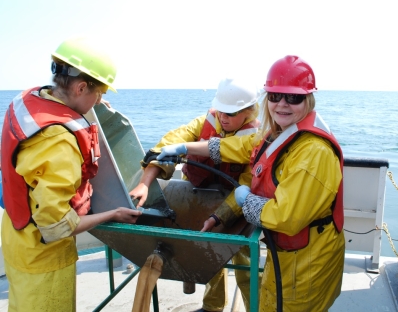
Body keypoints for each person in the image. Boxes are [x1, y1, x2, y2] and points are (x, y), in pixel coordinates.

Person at [151, 55, 346, 311]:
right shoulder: (277, 133)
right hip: (289, 255)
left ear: (308, 99)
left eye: (293, 97)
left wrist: (245, 199)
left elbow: (286, 217)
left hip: (307, 262)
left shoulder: (313, 154)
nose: (282, 104)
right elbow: (238, 146)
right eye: (275, 96)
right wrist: (185, 147)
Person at [0, 37, 142, 312]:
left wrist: (94, 109)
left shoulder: (30, 98)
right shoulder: (59, 143)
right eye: (99, 93)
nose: (100, 100)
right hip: (43, 256)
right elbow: (55, 227)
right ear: (79, 87)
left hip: (17, 238)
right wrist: (113, 215)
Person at [129, 77, 261, 312]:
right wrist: (145, 183)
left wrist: (218, 218)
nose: (223, 117)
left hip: (236, 204)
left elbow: (248, 183)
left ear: (249, 112)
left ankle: (257, 308)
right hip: (199, 197)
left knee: (245, 262)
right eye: (221, 111)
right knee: (209, 258)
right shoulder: (204, 124)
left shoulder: (256, 140)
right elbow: (168, 143)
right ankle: (212, 307)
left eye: (231, 113)